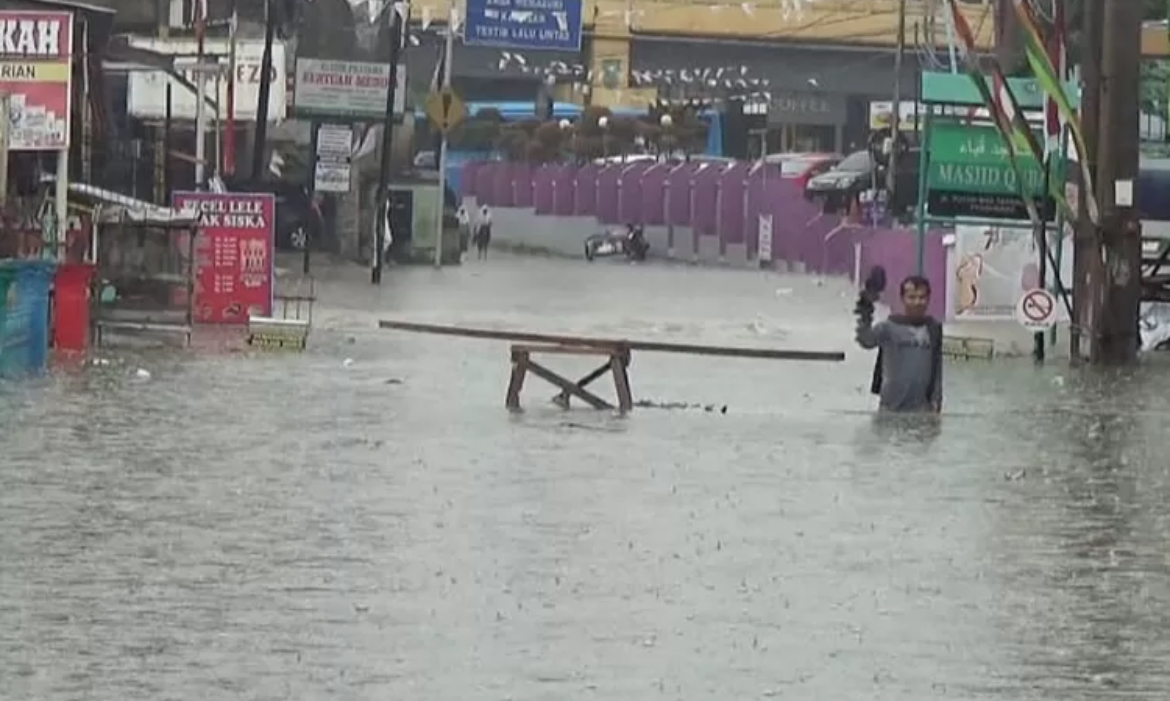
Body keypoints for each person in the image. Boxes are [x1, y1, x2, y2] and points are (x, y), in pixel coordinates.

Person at [855, 274, 943, 413]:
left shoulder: (933, 328)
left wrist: (936, 402)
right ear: (903, 299)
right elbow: (866, 340)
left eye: (922, 297)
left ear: (928, 299)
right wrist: (865, 311)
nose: (917, 302)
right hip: (891, 409)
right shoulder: (889, 327)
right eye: (912, 297)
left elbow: (937, 369)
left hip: (922, 411)